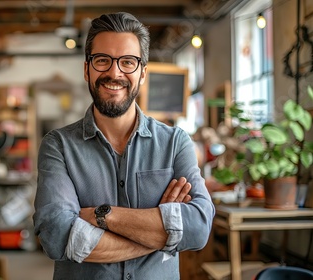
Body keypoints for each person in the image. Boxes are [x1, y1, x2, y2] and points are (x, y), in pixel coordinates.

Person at [33, 12, 215, 279]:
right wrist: (161, 234)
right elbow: (57, 235)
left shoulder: (175, 143)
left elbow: (198, 228)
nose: (114, 72)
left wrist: (101, 216)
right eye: (102, 60)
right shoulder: (58, 146)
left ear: (142, 73)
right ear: (87, 70)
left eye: (128, 62)